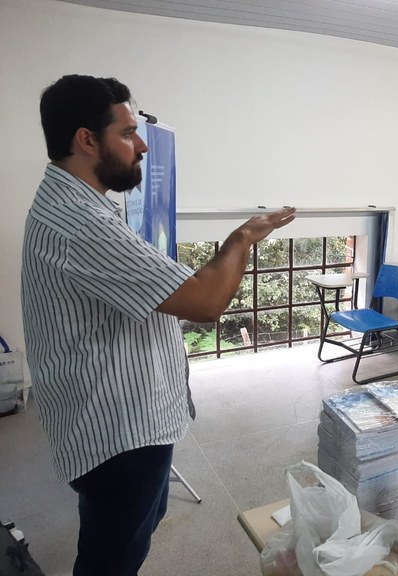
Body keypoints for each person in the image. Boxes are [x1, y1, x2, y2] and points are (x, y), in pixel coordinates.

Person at [20, 74, 295, 576]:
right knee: (111, 558)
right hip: (117, 433)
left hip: (115, 420)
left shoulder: (75, 203)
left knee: (135, 528)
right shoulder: (82, 222)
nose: (143, 146)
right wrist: (241, 239)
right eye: (128, 134)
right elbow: (206, 301)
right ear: (86, 140)